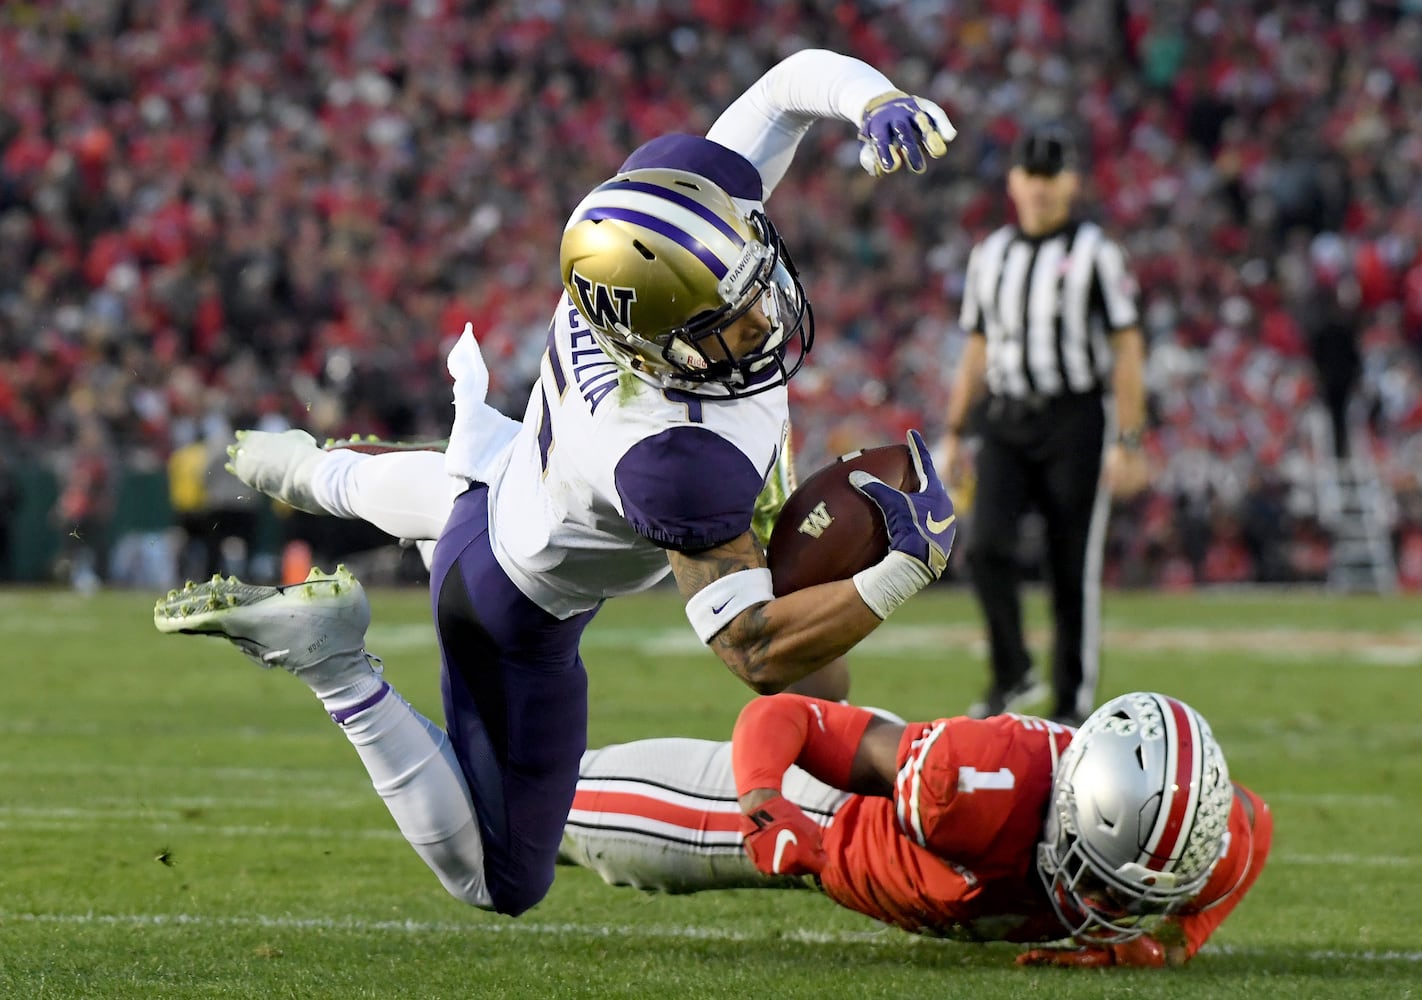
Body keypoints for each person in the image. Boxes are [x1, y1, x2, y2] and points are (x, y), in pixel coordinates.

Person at [153, 48, 959, 918]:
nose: (768, 315)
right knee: (500, 882)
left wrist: (870, 100)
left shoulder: (659, 225)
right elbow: (756, 650)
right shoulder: (679, 459)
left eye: (757, 280)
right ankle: (334, 663)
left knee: (466, 488)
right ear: (652, 340)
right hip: (514, 604)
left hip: (508, 485)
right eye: (732, 319)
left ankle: (310, 470)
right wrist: (903, 564)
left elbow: (788, 83)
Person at [562, 689, 1272, 967]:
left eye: (1131, 897)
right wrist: (766, 806)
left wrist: (1135, 950)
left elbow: (1190, 915)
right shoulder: (977, 783)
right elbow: (784, 717)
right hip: (822, 815)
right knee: (518, 832)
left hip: (867, 867)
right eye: (1100, 883)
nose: (1106, 911)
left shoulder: (1211, 842)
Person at [936, 122, 1150, 725]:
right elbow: (976, 346)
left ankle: (1072, 703)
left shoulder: (1097, 255)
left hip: (1074, 418)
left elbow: (1127, 346)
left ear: (1072, 183)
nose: (1040, 188)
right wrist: (954, 429)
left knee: (1069, 565)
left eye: (1052, 175)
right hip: (1005, 418)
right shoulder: (991, 254)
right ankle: (1014, 671)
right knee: (985, 548)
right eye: (1031, 174)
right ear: (1013, 182)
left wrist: (1130, 437)